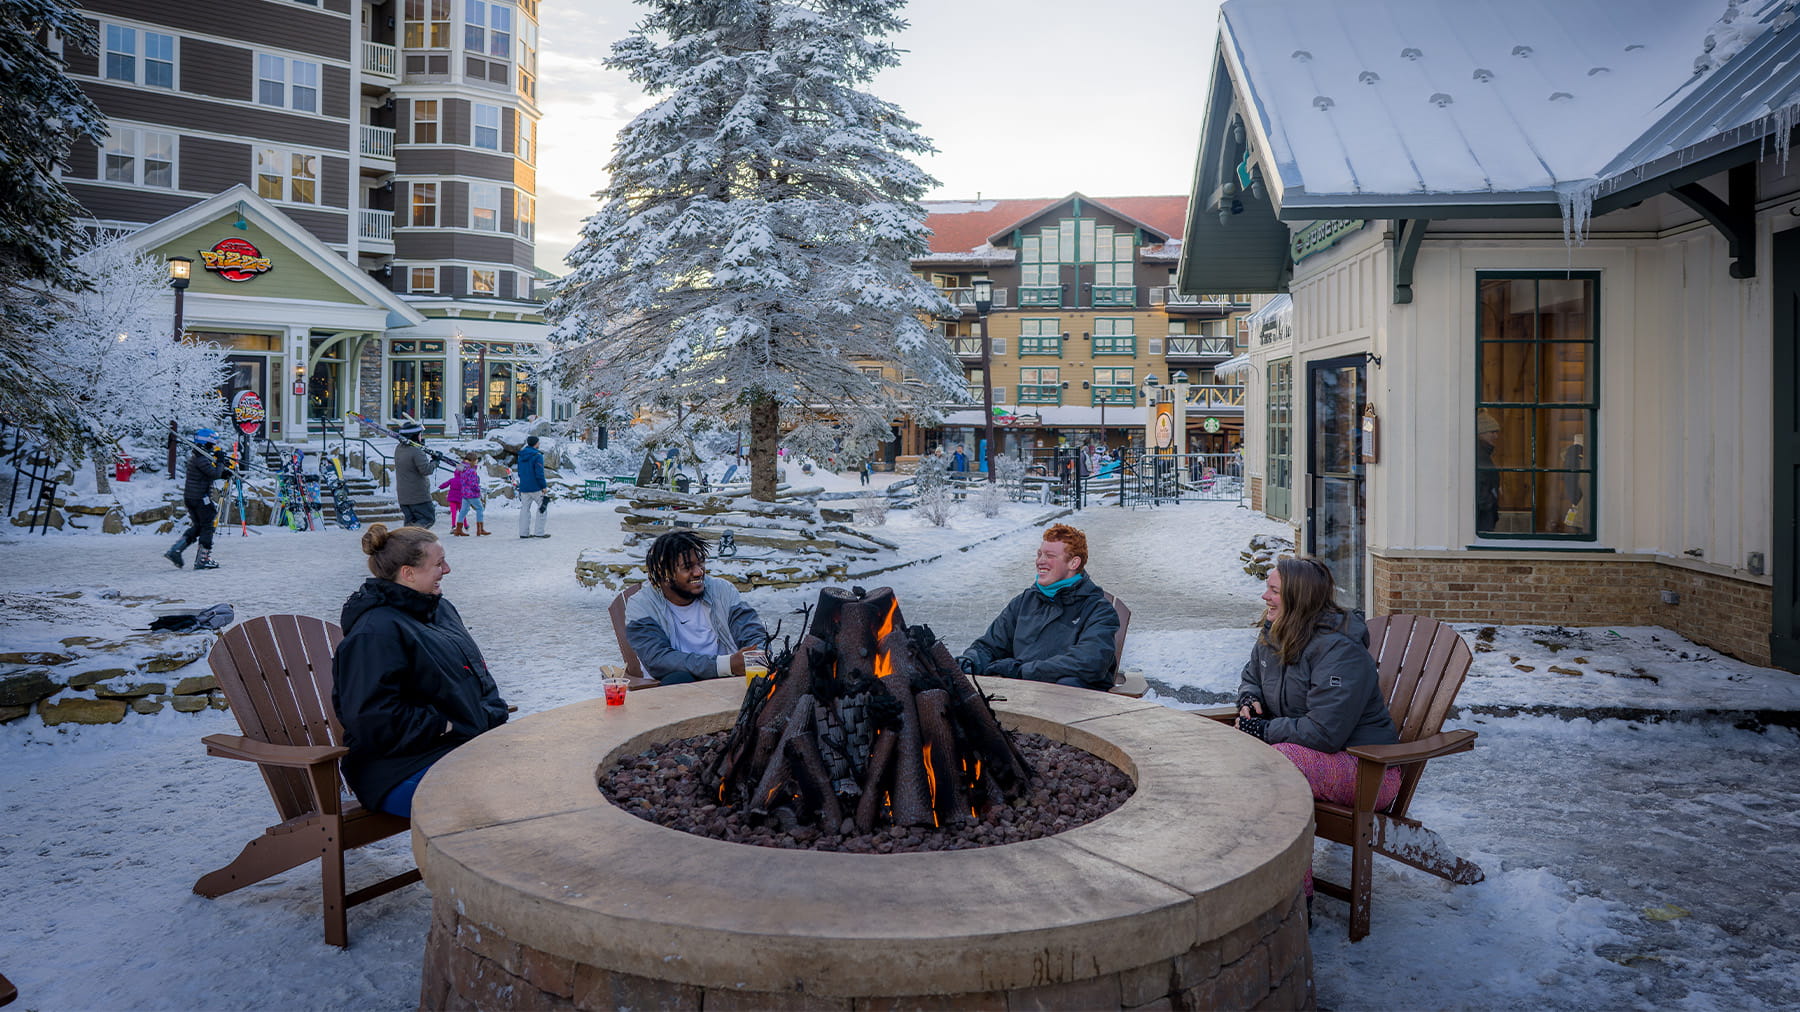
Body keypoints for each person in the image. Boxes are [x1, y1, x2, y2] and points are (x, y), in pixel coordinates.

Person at [1235, 556, 1400, 904]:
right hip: (1301, 755)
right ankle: (1236, 878)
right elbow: (1252, 677)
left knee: (1279, 766)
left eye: (1274, 590)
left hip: (1368, 770)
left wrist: (1263, 730)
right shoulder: (1274, 634)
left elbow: (1325, 733)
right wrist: (1249, 700)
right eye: (1267, 587)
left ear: (1300, 599)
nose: (1265, 596)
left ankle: (1295, 901)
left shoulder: (1340, 651)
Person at [330, 524, 509, 817]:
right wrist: (445, 725)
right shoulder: (374, 633)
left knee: (543, 770)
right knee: (504, 794)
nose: (447, 569)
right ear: (408, 573)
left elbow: (475, 677)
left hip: (461, 747)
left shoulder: (441, 611)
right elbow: (371, 718)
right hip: (397, 769)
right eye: (438, 564)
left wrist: (487, 713)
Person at [958, 523, 1120, 691]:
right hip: (1020, 695)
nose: (1040, 561)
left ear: (1073, 563)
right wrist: (968, 662)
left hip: (1070, 706)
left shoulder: (1098, 610)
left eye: (1050, 556)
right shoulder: (1024, 602)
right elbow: (989, 645)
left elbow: (1090, 661)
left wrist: (1021, 671)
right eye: (1039, 554)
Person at [625, 530, 769, 684]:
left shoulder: (722, 591)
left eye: (700, 562)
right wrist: (728, 665)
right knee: (679, 679)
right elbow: (658, 660)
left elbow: (753, 633)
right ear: (664, 573)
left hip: (731, 681)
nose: (699, 572)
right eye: (687, 567)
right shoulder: (642, 606)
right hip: (677, 689)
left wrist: (755, 656)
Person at [163, 428, 233, 570]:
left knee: (199, 526)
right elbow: (213, 473)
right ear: (206, 443)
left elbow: (210, 473)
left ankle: (176, 550)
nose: (213, 447)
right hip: (200, 498)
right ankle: (203, 558)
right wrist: (220, 463)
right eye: (212, 444)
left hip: (192, 497)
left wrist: (223, 470)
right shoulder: (200, 458)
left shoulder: (199, 456)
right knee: (207, 525)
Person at [394, 421, 436, 529]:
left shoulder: (399, 448)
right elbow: (426, 470)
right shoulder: (416, 451)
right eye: (420, 434)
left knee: (410, 522)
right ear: (415, 436)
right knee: (428, 519)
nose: (421, 437)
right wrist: (435, 462)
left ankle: (407, 543)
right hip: (418, 496)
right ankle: (410, 536)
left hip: (404, 496)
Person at [439, 454, 487, 536]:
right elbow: (473, 484)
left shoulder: (462, 468)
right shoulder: (471, 470)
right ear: (473, 460)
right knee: (480, 509)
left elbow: (456, 469)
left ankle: (458, 530)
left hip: (464, 493)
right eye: (476, 461)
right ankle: (480, 530)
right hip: (472, 494)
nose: (477, 463)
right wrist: (479, 490)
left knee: (463, 511)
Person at [516, 435, 548, 538]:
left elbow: (520, 472)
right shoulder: (537, 456)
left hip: (524, 486)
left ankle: (523, 533)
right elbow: (539, 473)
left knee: (525, 509)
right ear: (535, 443)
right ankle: (539, 532)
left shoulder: (521, 455)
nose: (539, 444)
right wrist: (543, 486)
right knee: (542, 507)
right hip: (535, 487)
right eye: (538, 442)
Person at [1475, 411, 1501, 533]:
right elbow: (1479, 486)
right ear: (1481, 433)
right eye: (1492, 432)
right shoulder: (1479, 456)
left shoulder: (1483, 453)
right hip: (1482, 519)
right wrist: (1489, 504)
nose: (1496, 436)